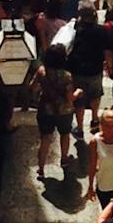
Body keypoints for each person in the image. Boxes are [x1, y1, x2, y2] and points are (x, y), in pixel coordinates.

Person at [33, 45, 74, 183]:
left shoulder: (41, 72)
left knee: (45, 138)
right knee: (65, 134)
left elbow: (32, 87)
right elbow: (69, 98)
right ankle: (64, 159)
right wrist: (78, 94)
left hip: (46, 110)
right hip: (64, 111)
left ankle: (41, 168)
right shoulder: (67, 76)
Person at [68, 5, 109, 129]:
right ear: (95, 15)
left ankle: (80, 127)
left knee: (79, 99)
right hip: (95, 69)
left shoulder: (74, 29)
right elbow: (107, 50)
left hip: (77, 69)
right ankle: (95, 119)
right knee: (95, 95)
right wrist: (108, 64)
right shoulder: (101, 30)